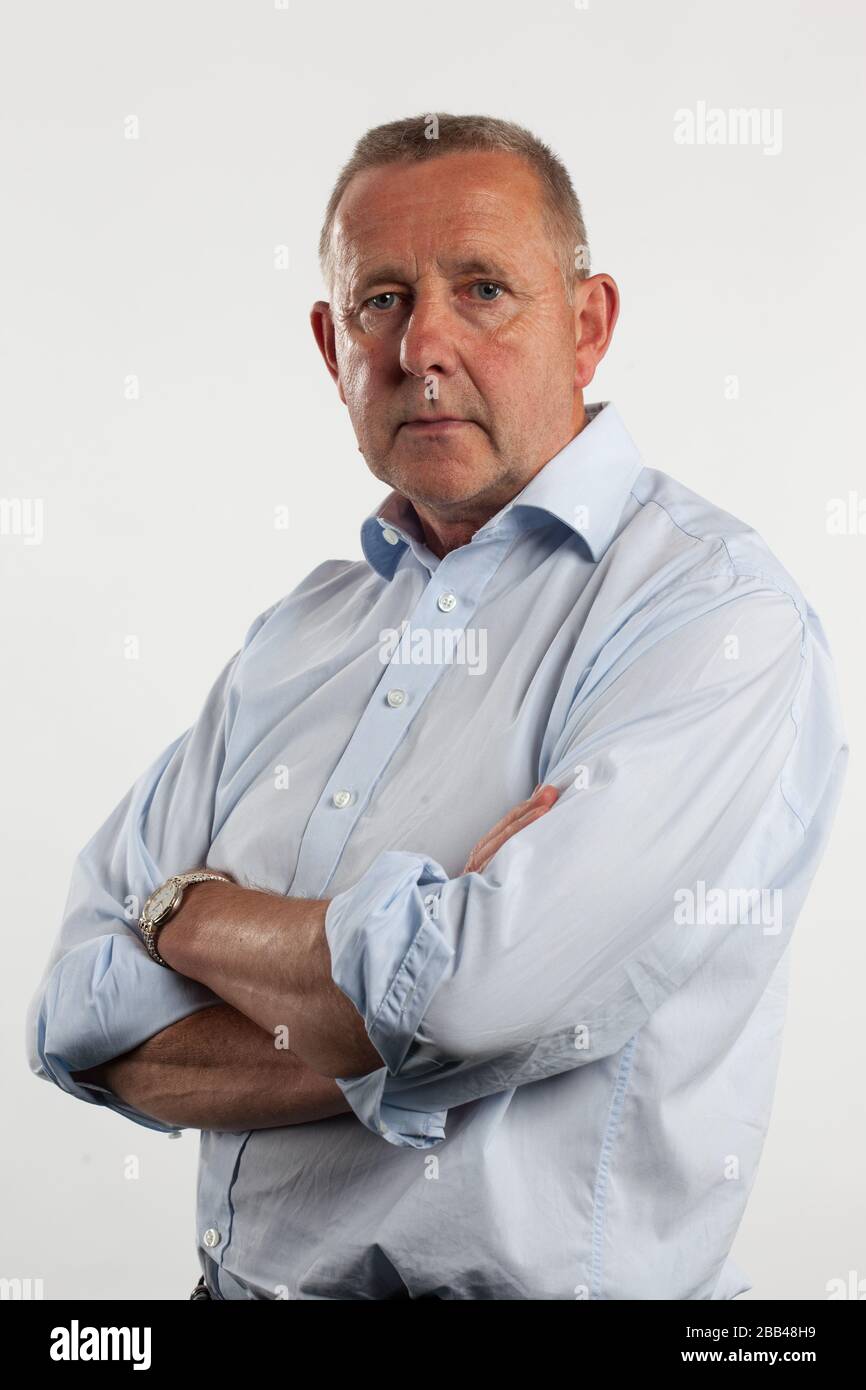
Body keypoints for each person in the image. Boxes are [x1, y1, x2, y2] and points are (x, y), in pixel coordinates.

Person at [26, 113, 848, 1301]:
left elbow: (472, 998)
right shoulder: (298, 634)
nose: (424, 345)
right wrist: (407, 1012)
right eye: (380, 300)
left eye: (482, 289)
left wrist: (187, 922)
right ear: (330, 344)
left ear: (589, 323)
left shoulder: (712, 615)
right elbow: (72, 1016)